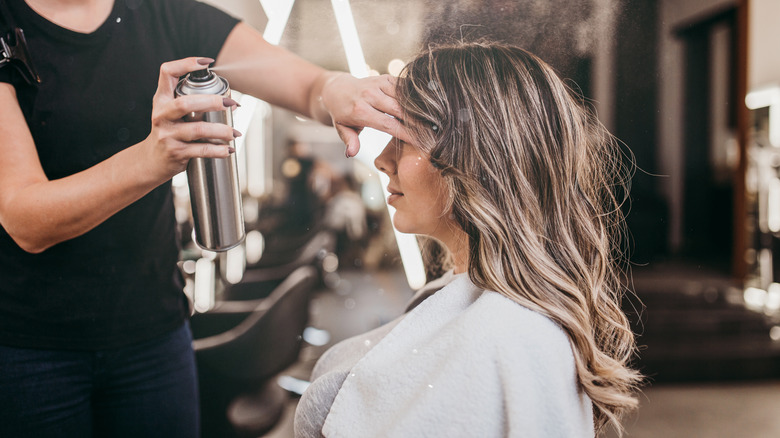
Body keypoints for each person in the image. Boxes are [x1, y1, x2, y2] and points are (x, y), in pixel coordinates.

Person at [0, 0, 406, 437]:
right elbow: (26, 220)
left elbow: (310, 88)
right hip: (28, 347)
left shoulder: (167, 16)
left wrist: (340, 90)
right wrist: (152, 160)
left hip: (155, 331)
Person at [294, 41, 642, 437]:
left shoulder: (511, 337)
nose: (381, 159)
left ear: (475, 158)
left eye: (403, 139)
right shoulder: (472, 307)